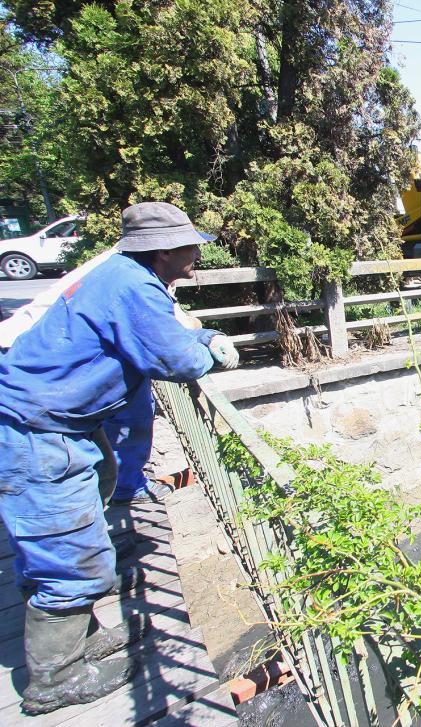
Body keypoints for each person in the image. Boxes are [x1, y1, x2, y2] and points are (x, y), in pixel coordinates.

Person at [0, 201, 239, 715]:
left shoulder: (122, 275)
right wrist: (209, 351)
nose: (197, 252)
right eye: (190, 244)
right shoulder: (133, 286)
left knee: (71, 534)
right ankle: (56, 678)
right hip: (36, 434)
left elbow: (156, 336)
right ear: (165, 250)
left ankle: (78, 638)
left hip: (48, 422)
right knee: (64, 551)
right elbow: (172, 358)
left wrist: (201, 334)